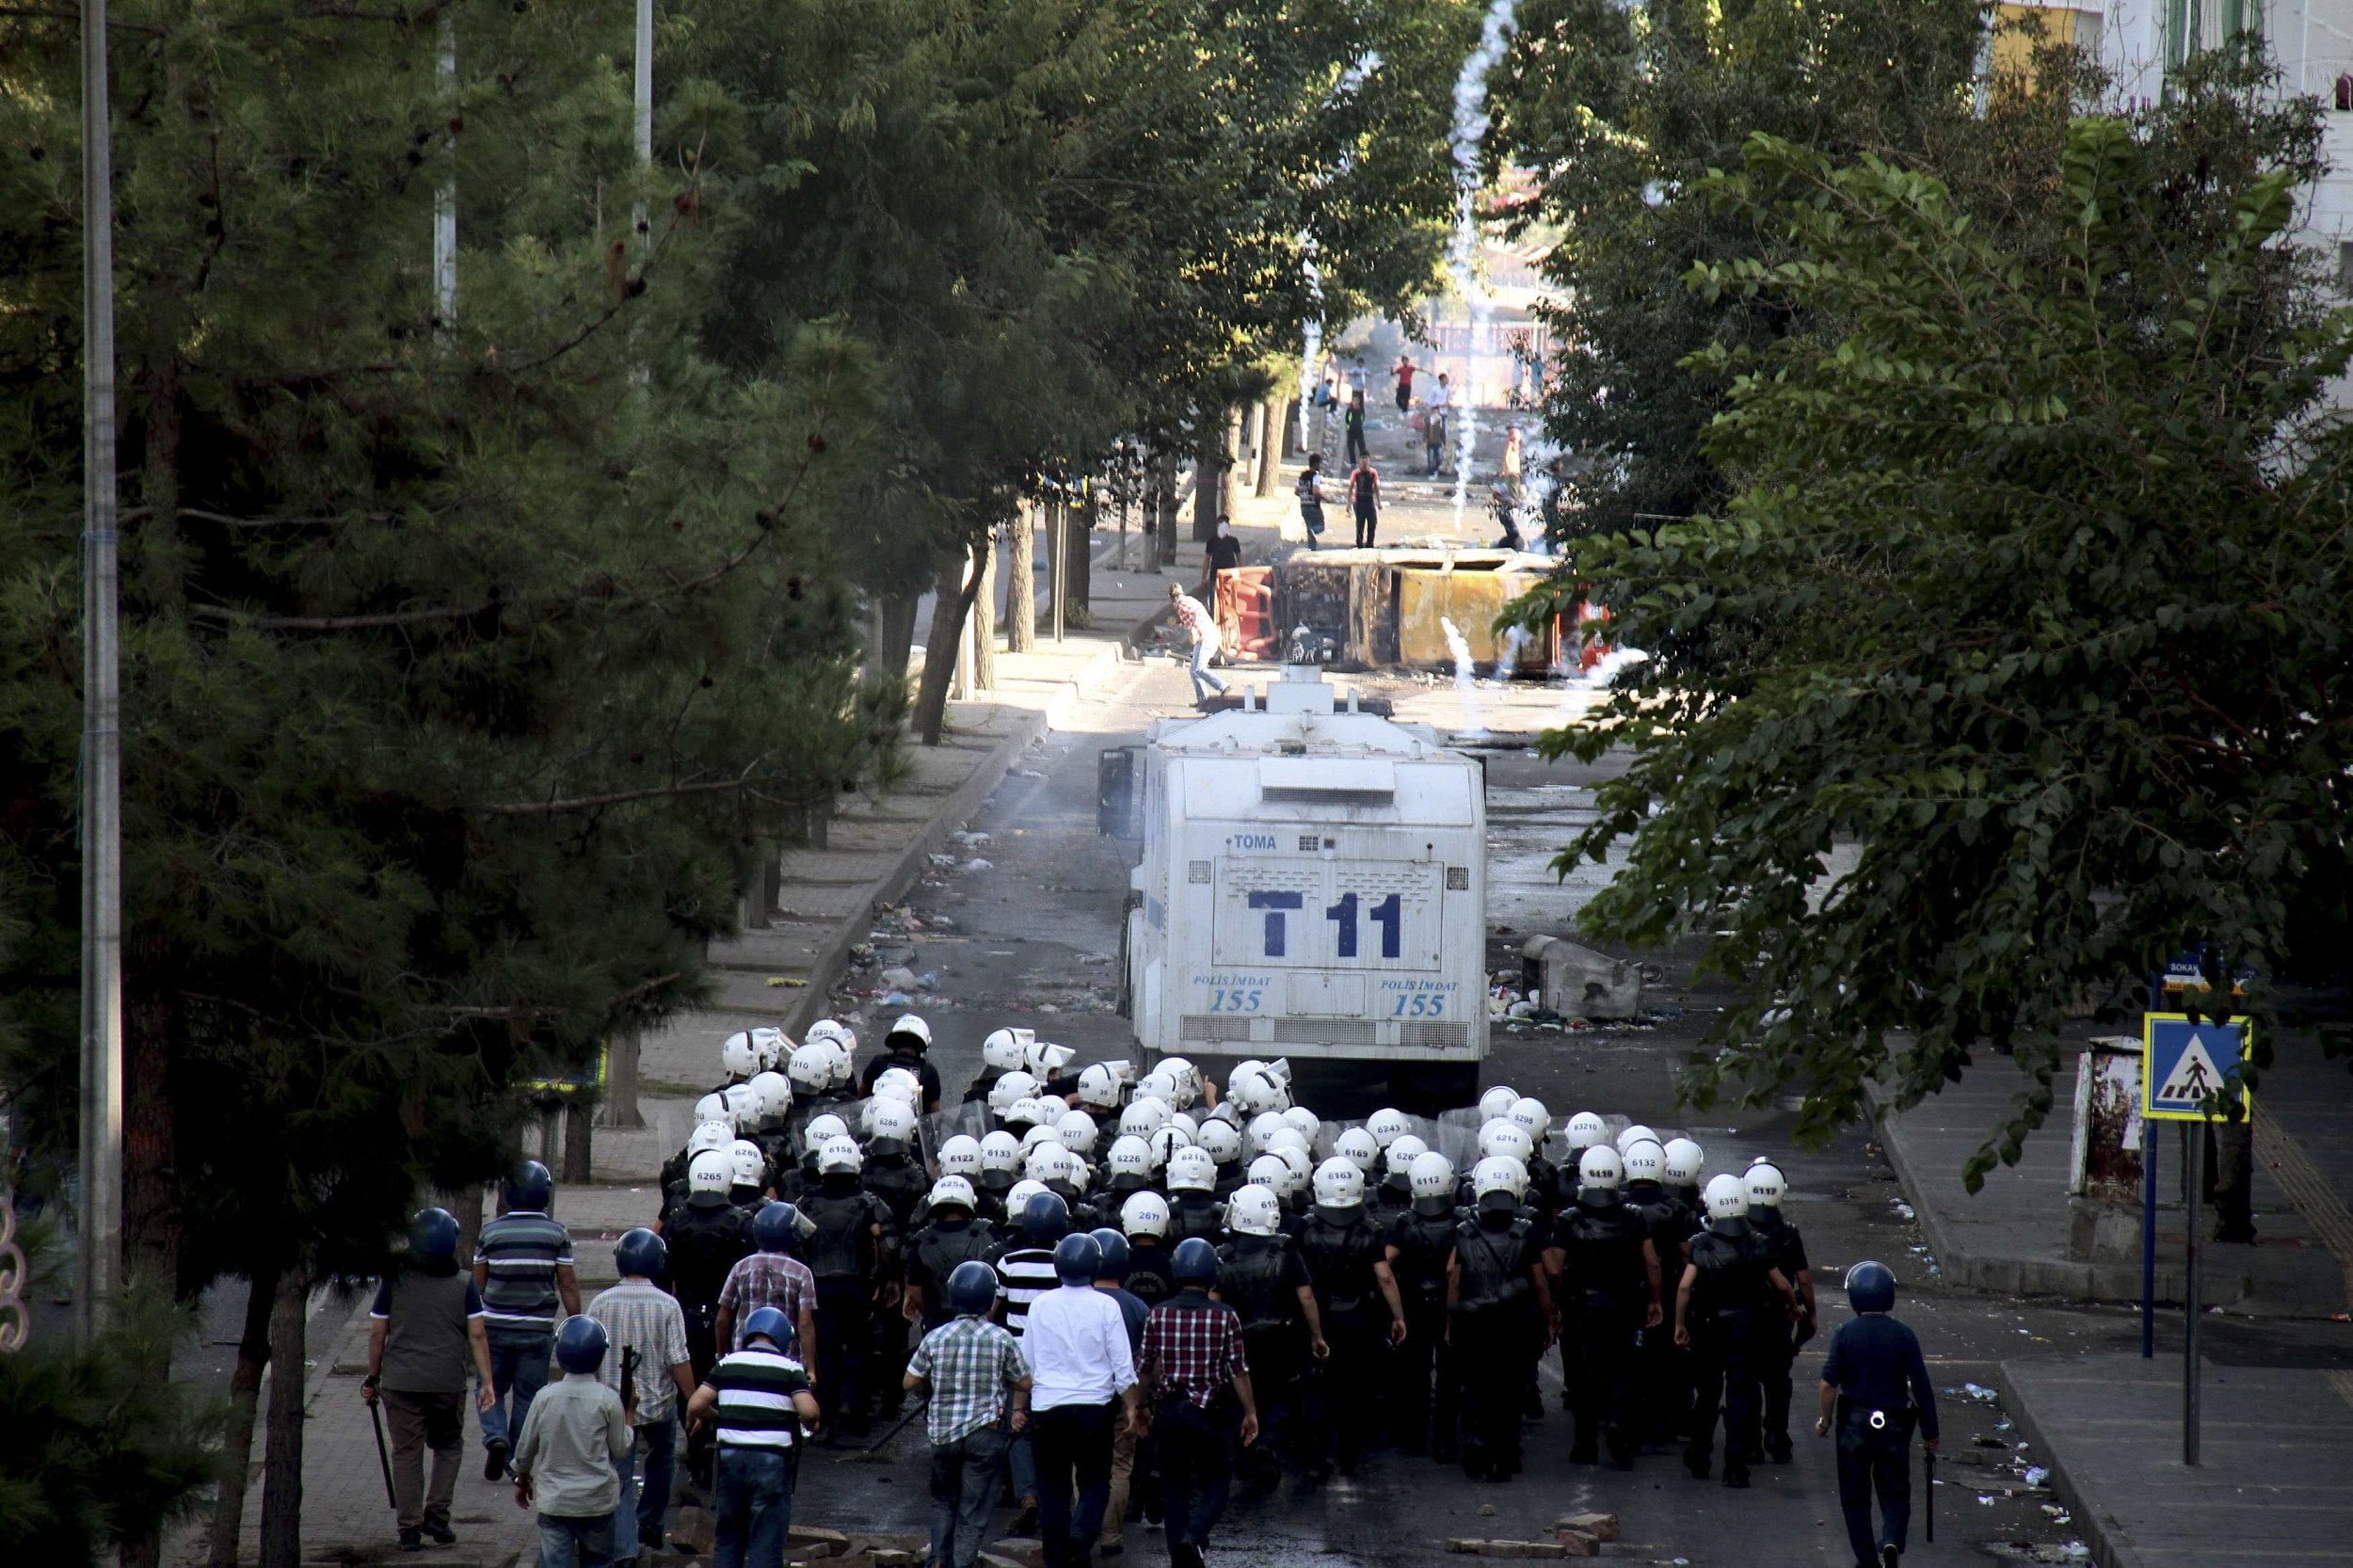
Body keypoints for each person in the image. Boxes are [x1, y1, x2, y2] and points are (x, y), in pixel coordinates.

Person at [365, 1208, 498, 1553]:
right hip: (447, 1381)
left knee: (407, 1452)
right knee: (449, 1446)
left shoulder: (395, 1280)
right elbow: (478, 1335)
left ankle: (408, 1529)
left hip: (401, 1381)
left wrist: (373, 1375)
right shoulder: (464, 1283)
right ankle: (437, 1515)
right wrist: (487, 1381)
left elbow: (378, 1331)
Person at [1023, 1232, 1147, 1568]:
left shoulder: (1040, 1305)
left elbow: (1027, 1364)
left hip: (1048, 1408)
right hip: (1095, 1409)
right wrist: (1133, 1405)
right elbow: (1123, 1364)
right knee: (1095, 1481)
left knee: (1053, 1489)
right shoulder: (1107, 1306)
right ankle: (1081, 1534)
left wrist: (1020, 1406)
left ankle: (1056, 1555)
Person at [906, 1260, 1032, 1568]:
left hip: (944, 1434)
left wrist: (933, 1383)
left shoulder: (936, 1337)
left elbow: (909, 1381)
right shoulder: (1001, 1337)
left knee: (943, 1500)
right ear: (990, 1298)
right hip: (985, 1433)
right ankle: (962, 1563)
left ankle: (937, 1559)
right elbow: (1025, 1381)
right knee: (973, 1511)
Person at [1139, 1238, 1257, 1568]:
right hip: (1209, 1413)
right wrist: (1250, 1411)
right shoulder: (1226, 1317)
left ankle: (1181, 1557)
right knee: (1217, 1481)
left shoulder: (1157, 1314)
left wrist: (1137, 1406)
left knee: (1174, 1489)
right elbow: (1238, 1370)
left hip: (1169, 1410)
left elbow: (1145, 1367)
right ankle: (1195, 1535)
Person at [1545, 1146, 1661, 1469]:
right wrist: (1654, 1298)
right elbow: (1651, 1263)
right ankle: (1617, 1423)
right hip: (1625, 1303)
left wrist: (1556, 1303)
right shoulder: (1633, 1217)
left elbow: (1554, 1268)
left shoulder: (1571, 1219)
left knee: (1582, 1373)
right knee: (1623, 1367)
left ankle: (1584, 1443)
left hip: (1581, 1304)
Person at [1676, 1173, 1795, 1488]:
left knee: (1707, 1394)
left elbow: (1685, 1288)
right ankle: (1736, 1464)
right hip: (1747, 1329)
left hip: (1708, 1329)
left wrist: (1679, 1323)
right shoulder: (1758, 1244)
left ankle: (1700, 1456)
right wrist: (1794, 1308)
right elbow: (1782, 1284)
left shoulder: (1701, 1246)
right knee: (1742, 1393)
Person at [1818, 1262, 1938, 1568]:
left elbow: (1828, 1385)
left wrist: (1826, 1420)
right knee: (1896, 1492)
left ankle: (1867, 1561)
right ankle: (1891, 1539)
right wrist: (1930, 1432)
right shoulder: (1904, 1336)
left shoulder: (1844, 1333)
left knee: (1855, 1498)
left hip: (1854, 1426)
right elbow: (1922, 1387)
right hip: (1894, 1425)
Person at [588, 1228, 696, 1560]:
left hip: (613, 1407)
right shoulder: (668, 1305)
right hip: (659, 1404)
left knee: (618, 1474)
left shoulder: (600, 1303)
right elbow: (678, 1360)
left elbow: (590, 1355)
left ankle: (623, 1546)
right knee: (662, 1458)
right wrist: (693, 1401)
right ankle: (649, 1521)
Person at [1296, 1159, 1406, 1481]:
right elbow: (1384, 1276)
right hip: (1360, 1321)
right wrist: (1398, 1316)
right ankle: (1348, 1457)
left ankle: (1316, 1458)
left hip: (1318, 1318)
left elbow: (1298, 1281)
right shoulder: (1370, 1229)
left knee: (1316, 1388)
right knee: (1355, 1389)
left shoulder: (1305, 1227)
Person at [688, 1305, 822, 1568]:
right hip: (771, 1461)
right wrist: (812, 1417)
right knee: (766, 1540)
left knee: (729, 1537)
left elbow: (695, 1405)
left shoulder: (727, 1363)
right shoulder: (789, 1368)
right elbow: (808, 1412)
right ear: (781, 1337)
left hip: (730, 1459)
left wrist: (721, 1415)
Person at [1213, 1183, 1325, 1493]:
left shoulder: (1223, 1255)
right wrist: (1317, 1336)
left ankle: (1249, 1452)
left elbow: (1215, 1302)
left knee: (1243, 1399)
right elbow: (1306, 1297)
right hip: (1283, 1339)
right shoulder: (1285, 1249)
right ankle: (1275, 1446)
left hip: (1241, 1342)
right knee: (1284, 1397)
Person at [1446, 1162, 1552, 1481]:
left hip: (1474, 1323)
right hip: (1514, 1324)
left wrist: (1451, 1320)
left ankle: (1477, 1449)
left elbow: (1453, 1278)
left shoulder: (1463, 1232)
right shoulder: (1525, 1230)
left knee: (1476, 1387)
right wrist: (1549, 1317)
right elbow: (1540, 1281)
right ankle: (1505, 1457)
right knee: (1509, 1391)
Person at [475, 1160, 582, 1481]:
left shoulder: (490, 1233)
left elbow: (477, 1286)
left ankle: (495, 1435)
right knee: (528, 1395)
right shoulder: (556, 1234)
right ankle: (512, 1458)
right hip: (537, 1329)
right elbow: (567, 1284)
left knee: (489, 1384)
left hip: (495, 1327)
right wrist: (576, 1322)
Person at [512, 1315, 632, 1568]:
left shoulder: (544, 1397)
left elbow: (525, 1452)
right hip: (597, 1502)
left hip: (556, 1502)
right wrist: (629, 1414)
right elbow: (620, 1449)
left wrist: (523, 1481)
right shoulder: (608, 1400)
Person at [798, 1136, 897, 1438]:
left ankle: (824, 1415)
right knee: (859, 1351)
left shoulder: (806, 1203)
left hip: (817, 1290)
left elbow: (793, 1246)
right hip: (857, 1290)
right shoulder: (871, 1203)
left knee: (824, 1352)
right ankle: (854, 1415)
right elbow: (891, 1245)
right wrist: (887, 1279)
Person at [1385, 1150, 1460, 1460]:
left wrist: (1396, 1307)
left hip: (1413, 1304)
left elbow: (1385, 1260)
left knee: (1413, 1373)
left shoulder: (1406, 1222)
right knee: (1449, 1375)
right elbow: (1454, 1269)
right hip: (1447, 1306)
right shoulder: (1460, 1221)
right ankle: (1444, 1440)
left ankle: (1413, 1438)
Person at [1745, 1160, 1817, 1464]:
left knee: (1745, 1378)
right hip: (1778, 1316)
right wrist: (1809, 1312)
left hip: (1744, 1315)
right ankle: (1776, 1433)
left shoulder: (1739, 1229)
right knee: (1778, 1379)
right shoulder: (1788, 1233)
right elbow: (1803, 1278)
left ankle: (1748, 1439)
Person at [1090, 1229, 1152, 1558]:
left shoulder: (1080, 1300)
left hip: (1085, 1396)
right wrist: (1142, 1403)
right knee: (1119, 1467)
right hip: (1123, 1396)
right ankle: (1111, 1534)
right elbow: (1146, 1359)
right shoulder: (1137, 1306)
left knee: (1082, 1465)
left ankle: (1083, 1525)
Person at [715, 1202, 821, 1371]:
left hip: (743, 1356)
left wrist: (721, 1356)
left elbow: (722, 1320)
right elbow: (805, 1325)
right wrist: (811, 1369)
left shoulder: (741, 1267)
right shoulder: (801, 1272)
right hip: (786, 1360)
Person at [858, 1013, 944, 1112]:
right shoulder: (929, 1071)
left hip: (874, 1121)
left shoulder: (878, 1062)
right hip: (915, 1126)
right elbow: (935, 1112)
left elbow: (860, 1097)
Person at [1167, 584, 1227, 707]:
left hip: (1205, 637)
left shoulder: (1180, 604)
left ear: (1171, 597)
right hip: (1208, 635)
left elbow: (1195, 621)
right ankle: (1203, 701)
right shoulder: (1188, 600)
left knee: (1199, 669)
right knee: (1194, 670)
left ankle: (1223, 685)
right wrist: (1178, 621)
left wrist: (1195, 633)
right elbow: (1190, 618)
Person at [1197, 518, 1243, 600]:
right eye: (1221, 523)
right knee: (1214, 600)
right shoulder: (1212, 541)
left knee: (1229, 598)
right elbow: (1207, 559)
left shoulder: (1233, 541)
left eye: (1225, 524)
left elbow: (1240, 558)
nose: (1223, 526)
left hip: (1230, 575)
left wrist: (1242, 575)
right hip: (1215, 576)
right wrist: (1203, 578)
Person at [1293, 455, 1327, 549]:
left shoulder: (1302, 476)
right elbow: (1316, 491)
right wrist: (1327, 499)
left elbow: (1296, 491)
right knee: (1320, 526)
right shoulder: (1315, 476)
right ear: (1316, 464)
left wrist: (1304, 494)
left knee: (1309, 526)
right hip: (1314, 506)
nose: (1321, 466)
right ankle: (1313, 531)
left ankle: (1312, 548)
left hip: (1304, 505)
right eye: (1320, 463)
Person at [1349, 456, 1381, 551]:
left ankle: (1370, 544)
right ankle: (1359, 545)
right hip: (1359, 501)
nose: (1364, 461)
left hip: (1369, 500)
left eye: (1366, 459)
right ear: (1360, 461)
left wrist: (1379, 502)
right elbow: (1351, 487)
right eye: (1363, 459)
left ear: (1369, 460)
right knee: (1360, 524)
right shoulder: (1356, 473)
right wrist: (1348, 503)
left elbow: (1376, 487)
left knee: (1372, 523)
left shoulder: (1373, 473)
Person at [1422, 395, 1448, 478]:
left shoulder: (1440, 420)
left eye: (1437, 410)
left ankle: (1435, 469)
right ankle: (1431, 474)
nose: (1435, 412)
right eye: (1434, 410)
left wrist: (1445, 443)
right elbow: (1425, 431)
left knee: (1439, 459)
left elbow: (1443, 432)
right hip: (1430, 442)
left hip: (1438, 442)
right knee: (1430, 460)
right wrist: (1424, 441)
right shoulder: (1428, 419)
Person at [1343, 391, 1367, 466]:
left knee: (1361, 446)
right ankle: (1353, 462)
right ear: (1352, 402)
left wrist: (1359, 424)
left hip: (1359, 429)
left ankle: (1363, 461)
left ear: (1359, 402)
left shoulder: (1361, 410)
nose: (1355, 402)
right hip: (1351, 430)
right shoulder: (1350, 410)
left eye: (1357, 401)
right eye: (1354, 401)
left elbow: (1362, 418)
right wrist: (1349, 426)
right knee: (1351, 446)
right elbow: (1347, 419)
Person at [1500, 424, 1524, 492]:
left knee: (1516, 487)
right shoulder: (1509, 443)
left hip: (1516, 470)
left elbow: (1517, 459)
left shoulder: (1517, 445)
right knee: (1512, 488)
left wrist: (1518, 470)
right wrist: (1507, 469)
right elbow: (1506, 457)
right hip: (1510, 471)